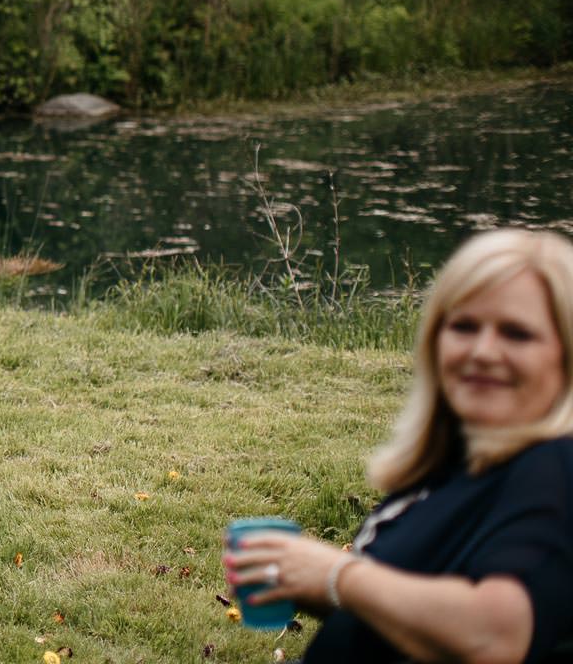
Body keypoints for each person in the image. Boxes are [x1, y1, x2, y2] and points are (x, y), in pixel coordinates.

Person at [224, 228, 573, 663]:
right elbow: (421, 617)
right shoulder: (460, 461)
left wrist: (338, 575)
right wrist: (308, 583)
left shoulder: (554, 466)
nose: (483, 350)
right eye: (464, 325)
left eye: (517, 333)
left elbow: (495, 638)